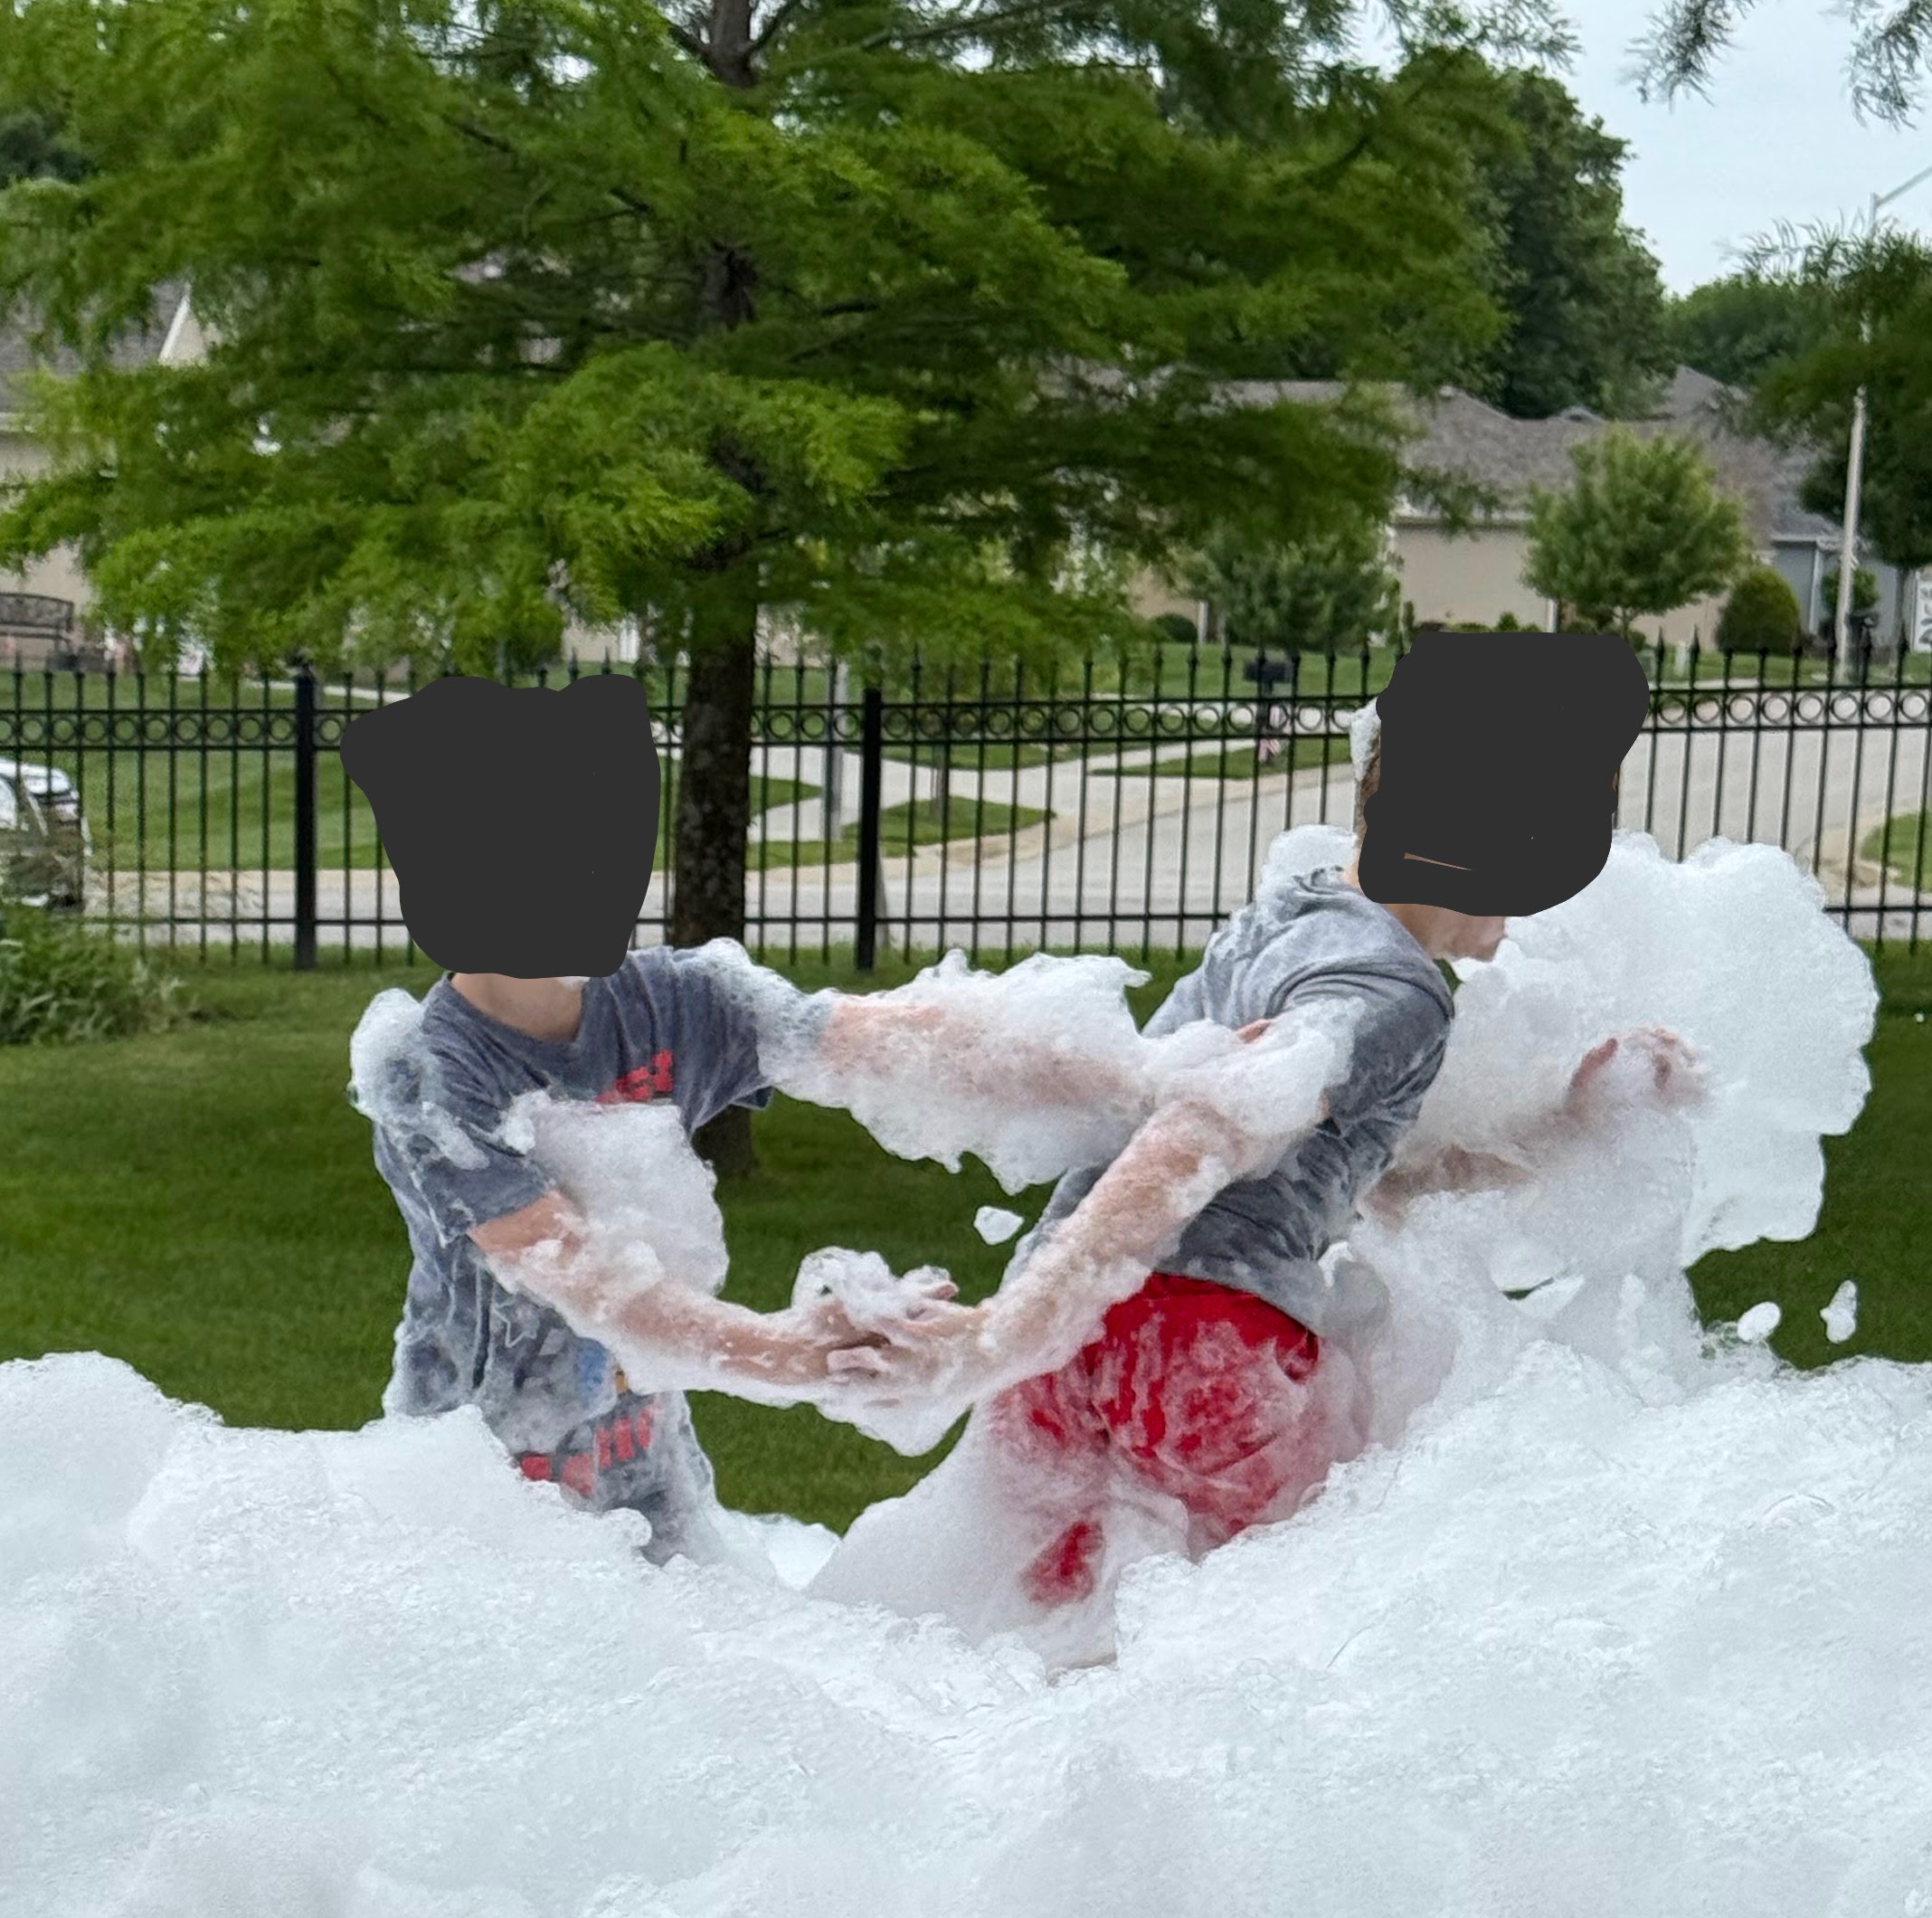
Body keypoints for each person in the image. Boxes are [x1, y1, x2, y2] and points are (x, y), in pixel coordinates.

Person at [833, 630, 1700, 1624]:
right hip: (1209, 1349)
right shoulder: (1396, 995)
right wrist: (995, 1334)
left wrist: (1566, 1119)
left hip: (1070, 1338)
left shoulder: (1285, 915)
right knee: (1292, 1627)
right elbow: (1208, 1129)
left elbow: (1345, 1167)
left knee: (1038, 1634)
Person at [339, 672, 1237, 1561]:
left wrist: (1151, 1074)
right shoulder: (427, 1070)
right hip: (475, 1494)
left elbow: (908, 1040)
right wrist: (801, 1356)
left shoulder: (675, 1000)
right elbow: (577, 1273)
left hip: (645, 1468)